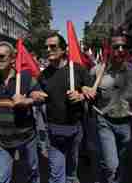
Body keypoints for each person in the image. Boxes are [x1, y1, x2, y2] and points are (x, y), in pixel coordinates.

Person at [38, 32, 94, 183]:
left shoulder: (78, 69)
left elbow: (93, 92)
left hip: (75, 129)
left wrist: (82, 95)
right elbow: (37, 94)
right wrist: (34, 95)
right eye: (46, 47)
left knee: (71, 172)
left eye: (53, 46)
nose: (48, 50)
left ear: (63, 50)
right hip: (54, 132)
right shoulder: (43, 75)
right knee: (56, 174)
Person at [0, 42, 45, 183]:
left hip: (26, 136)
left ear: (13, 59)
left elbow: (41, 97)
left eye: (1, 56)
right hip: (2, 139)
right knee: (1, 178)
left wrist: (27, 100)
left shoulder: (25, 77)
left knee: (31, 170)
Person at [91, 36, 132, 183]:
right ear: (109, 49)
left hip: (127, 123)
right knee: (112, 165)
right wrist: (86, 90)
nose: (120, 50)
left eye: (124, 47)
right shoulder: (96, 71)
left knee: (122, 163)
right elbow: (87, 92)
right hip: (105, 123)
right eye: (116, 47)